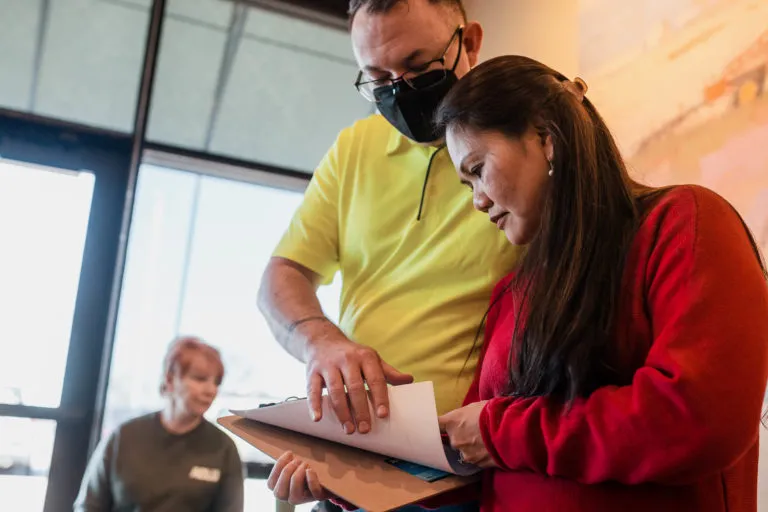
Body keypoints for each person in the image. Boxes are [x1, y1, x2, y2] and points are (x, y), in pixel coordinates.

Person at [429, 55, 768, 511]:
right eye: (466, 185)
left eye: (478, 169)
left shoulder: (684, 223)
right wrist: (348, 473)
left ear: (546, 137)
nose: (477, 200)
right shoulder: (510, 294)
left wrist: (501, 431)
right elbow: (478, 456)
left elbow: (696, 421)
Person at [259, 0, 518, 463]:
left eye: (419, 67)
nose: (399, 90)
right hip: (354, 448)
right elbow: (282, 277)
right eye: (377, 79)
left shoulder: (517, 151)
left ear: (471, 43)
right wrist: (323, 343)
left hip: (468, 458)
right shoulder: (354, 149)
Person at [74, 336, 244, 512]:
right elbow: (89, 505)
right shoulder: (124, 438)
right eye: (200, 379)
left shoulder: (223, 449)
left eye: (216, 382)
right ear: (170, 380)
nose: (211, 390)